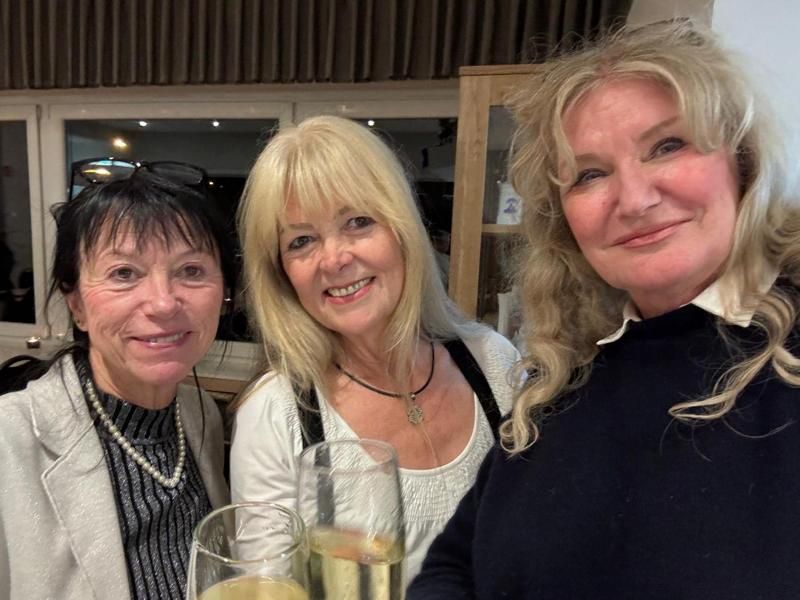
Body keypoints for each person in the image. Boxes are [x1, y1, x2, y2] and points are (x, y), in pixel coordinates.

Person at [408, 21, 800, 599]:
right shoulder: (565, 379)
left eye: (667, 146)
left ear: (741, 161)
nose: (635, 200)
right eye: (591, 174)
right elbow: (453, 563)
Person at [230, 115, 519, 581]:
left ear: (402, 230)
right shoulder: (274, 415)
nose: (335, 259)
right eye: (301, 241)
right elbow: (268, 588)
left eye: (358, 222)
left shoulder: (494, 362)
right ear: (282, 273)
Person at [0, 168, 234, 599]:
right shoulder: (9, 441)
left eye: (191, 269)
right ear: (76, 304)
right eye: (124, 273)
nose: (163, 302)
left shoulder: (200, 415)